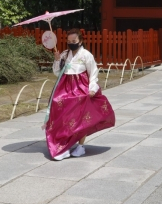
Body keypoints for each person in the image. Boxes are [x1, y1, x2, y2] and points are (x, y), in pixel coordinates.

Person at [43, 28, 115, 160]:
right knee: (60, 112)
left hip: (80, 88)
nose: (71, 43)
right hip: (64, 88)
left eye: (74, 41)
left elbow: (93, 72)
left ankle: (80, 146)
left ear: (80, 41)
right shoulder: (64, 54)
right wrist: (57, 60)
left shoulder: (86, 55)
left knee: (81, 117)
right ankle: (62, 143)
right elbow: (57, 73)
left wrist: (92, 88)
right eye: (69, 41)